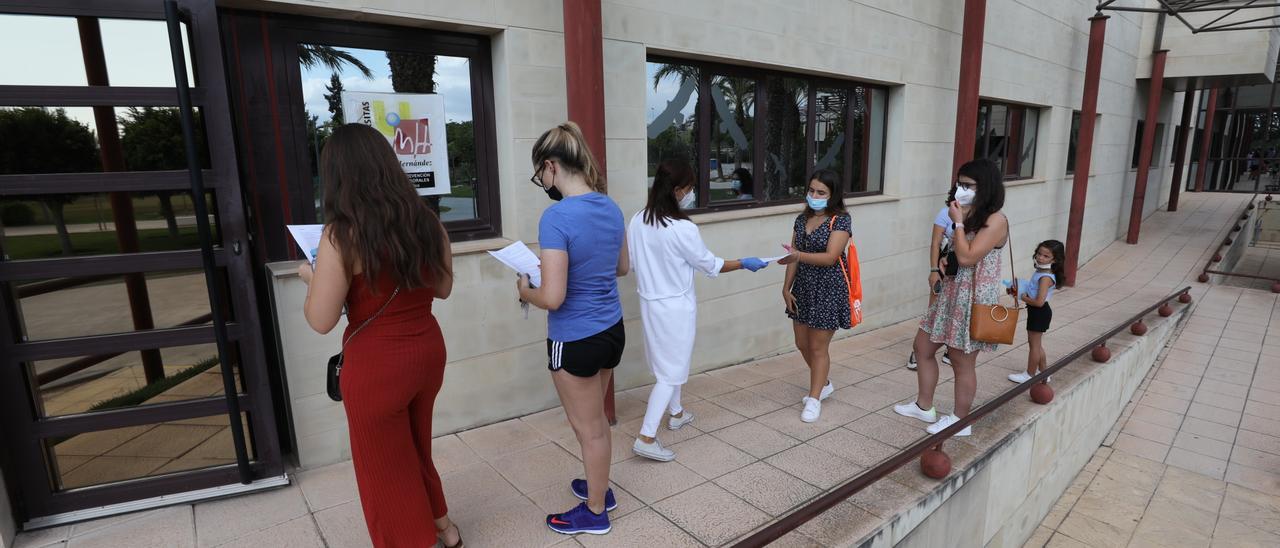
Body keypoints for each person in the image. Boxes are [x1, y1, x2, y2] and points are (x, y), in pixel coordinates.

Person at [298, 124, 461, 548]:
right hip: (427, 350)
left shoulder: (340, 235)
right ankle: (443, 526)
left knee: (383, 470)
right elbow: (442, 288)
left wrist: (311, 277)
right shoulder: (426, 220)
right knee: (415, 446)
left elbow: (321, 319)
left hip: (377, 367)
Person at [517, 122, 627, 536]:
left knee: (590, 428)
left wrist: (527, 289)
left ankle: (595, 511)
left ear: (551, 166)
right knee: (595, 421)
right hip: (611, 330)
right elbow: (621, 268)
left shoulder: (556, 216)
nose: (541, 183)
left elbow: (554, 298)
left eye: (539, 175)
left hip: (575, 339)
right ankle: (599, 487)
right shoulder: (610, 206)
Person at [629, 160, 768, 461]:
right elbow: (710, 265)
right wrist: (744, 262)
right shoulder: (682, 228)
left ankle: (676, 413)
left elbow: (634, 262)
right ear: (678, 190)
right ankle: (646, 436)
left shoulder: (638, 220)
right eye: (690, 189)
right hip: (674, 309)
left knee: (671, 364)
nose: (691, 194)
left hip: (650, 305)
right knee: (670, 373)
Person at [893, 158, 1007, 437]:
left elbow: (969, 257)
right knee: (923, 347)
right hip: (951, 292)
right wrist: (944, 261)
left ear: (986, 187)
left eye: (968, 185)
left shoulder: (996, 220)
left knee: (961, 360)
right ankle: (924, 406)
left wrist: (957, 224)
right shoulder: (968, 215)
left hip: (973, 299)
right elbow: (957, 254)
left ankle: (960, 420)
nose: (961, 189)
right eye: (959, 183)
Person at [779, 169, 852, 423]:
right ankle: (824, 383)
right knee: (802, 343)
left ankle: (814, 398)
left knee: (818, 347)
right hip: (804, 288)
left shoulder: (840, 220)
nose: (814, 195)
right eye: (811, 190)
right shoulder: (801, 220)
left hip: (829, 289)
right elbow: (792, 255)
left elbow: (831, 257)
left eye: (821, 192)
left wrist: (798, 255)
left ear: (833, 195)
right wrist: (786, 287)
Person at [1008, 240, 1065, 384]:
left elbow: (1039, 302)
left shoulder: (1045, 277)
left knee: (1034, 345)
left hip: (1039, 312)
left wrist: (1023, 297)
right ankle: (1044, 373)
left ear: (1055, 259)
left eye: (1046, 256)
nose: (1040, 258)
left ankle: (1029, 374)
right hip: (1038, 312)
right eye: (1039, 254)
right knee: (1037, 344)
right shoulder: (1042, 271)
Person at [906, 204, 954, 370]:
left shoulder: (982, 214)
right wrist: (934, 270)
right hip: (943, 268)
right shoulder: (945, 213)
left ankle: (951, 350)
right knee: (933, 309)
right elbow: (935, 243)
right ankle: (917, 353)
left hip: (965, 274)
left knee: (957, 313)